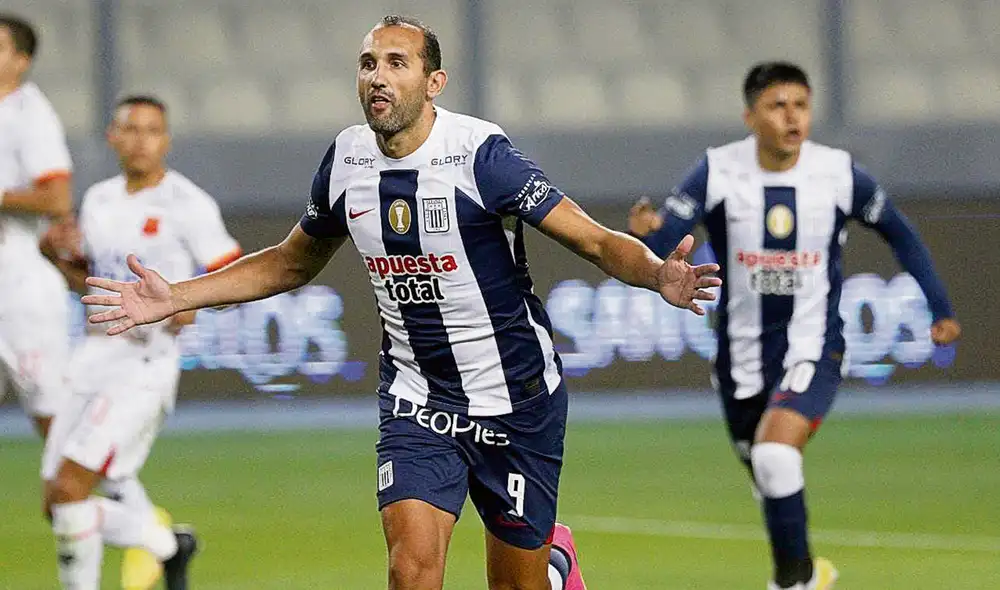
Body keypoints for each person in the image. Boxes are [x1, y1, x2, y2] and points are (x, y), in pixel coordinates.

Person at [82, 15, 721, 590]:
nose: (378, 77)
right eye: (368, 64)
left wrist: (656, 274)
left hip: (517, 396)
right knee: (410, 572)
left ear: (434, 81)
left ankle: (551, 565)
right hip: (419, 399)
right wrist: (176, 297)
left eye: (397, 63)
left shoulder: (481, 156)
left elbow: (593, 238)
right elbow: (289, 262)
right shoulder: (345, 161)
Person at [627, 62, 961, 590]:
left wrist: (939, 308)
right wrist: (649, 233)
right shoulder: (717, 169)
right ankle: (809, 572)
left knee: (776, 454)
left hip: (814, 344)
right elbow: (669, 240)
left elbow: (901, 233)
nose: (792, 117)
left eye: (801, 106)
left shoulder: (837, 172)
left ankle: (792, 584)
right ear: (750, 115)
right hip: (739, 354)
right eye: (777, 106)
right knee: (766, 472)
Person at [39, 95, 242, 590]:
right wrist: (58, 259)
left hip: (144, 364)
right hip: (93, 355)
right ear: (112, 136)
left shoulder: (187, 204)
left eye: (152, 130)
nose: (140, 139)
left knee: (71, 491)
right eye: (130, 129)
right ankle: (170, 547)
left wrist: (181, 305)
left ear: (166, 140)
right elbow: (96, 283)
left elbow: (232, 281)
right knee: (56, 503)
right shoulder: (100, 199)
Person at [0, 13, 73, 439]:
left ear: (21, 60)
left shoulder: (30, 114)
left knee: (51, 413)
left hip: (18, 284)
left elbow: (57, 198)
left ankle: (117, 502)